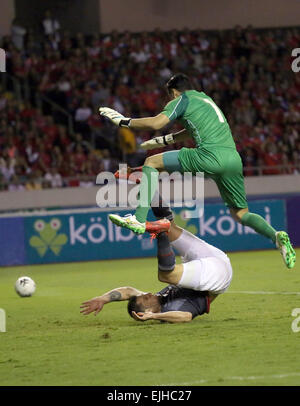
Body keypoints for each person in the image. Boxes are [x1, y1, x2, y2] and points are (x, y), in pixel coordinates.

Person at [99, 73, 296, 269]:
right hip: (233, 159)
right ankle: (276, 236)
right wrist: (163, 141)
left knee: (152, 162)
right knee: (241, 213)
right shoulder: (205, 99)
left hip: (210, 156)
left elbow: (156, 123)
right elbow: (190, 130)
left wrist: (123, 121)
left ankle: (138, 219)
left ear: (174, 92)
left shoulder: (182, 99)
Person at [80, 205, 232, 323]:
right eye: (145, 299)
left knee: (171, 227)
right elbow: (185, 317)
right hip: (217, 277)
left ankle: (149, 182)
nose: (147, 294)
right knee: (165, 275)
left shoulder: (157, 299)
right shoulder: (171, 308)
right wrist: (153, 317)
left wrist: (103, 299)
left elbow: (127, 291)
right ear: (147, 311)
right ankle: (160, 233)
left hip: (215, 258)